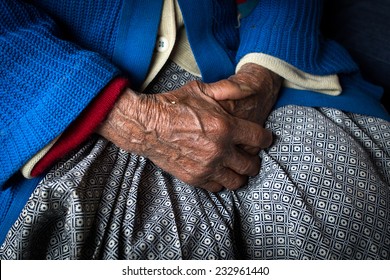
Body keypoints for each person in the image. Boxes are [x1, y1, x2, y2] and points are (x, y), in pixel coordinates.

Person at [0, 0, 389, 259]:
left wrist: (264, 69)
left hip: (242, 58)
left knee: (348, 199)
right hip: (53, 84)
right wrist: (133, 118)